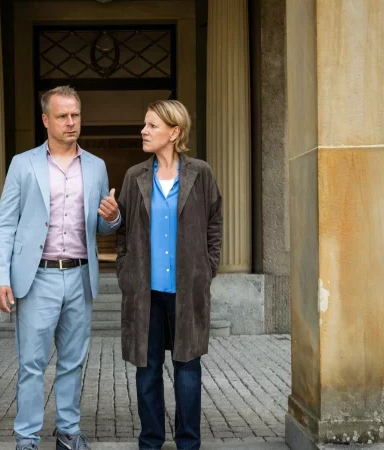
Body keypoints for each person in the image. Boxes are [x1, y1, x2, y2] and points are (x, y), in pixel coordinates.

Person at [0, 85, 121, 450]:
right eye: (62, 116)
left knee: (73, 362)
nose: (70, 122)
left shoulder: (96, 166)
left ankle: (68, 433)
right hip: (37, 277)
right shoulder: (23, 164)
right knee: (31, 363)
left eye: (75, 115)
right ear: (46, 120)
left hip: (80, 275)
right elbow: (5, 223)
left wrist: (113, 217)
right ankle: (27, 438)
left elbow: (102, 225)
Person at [115, 100, 222, 450]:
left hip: (186, 290)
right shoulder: (134, 177)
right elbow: (123, 230)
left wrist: (208, 268)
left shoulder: (200, 173)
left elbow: (214, 222)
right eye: (144, 125)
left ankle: (188, 442)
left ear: (174, 132)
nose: (143, 131)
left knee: (187, 371)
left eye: (152, 126)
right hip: (144, 292)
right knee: (146, 373)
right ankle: (151, 440)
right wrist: (125, 272)